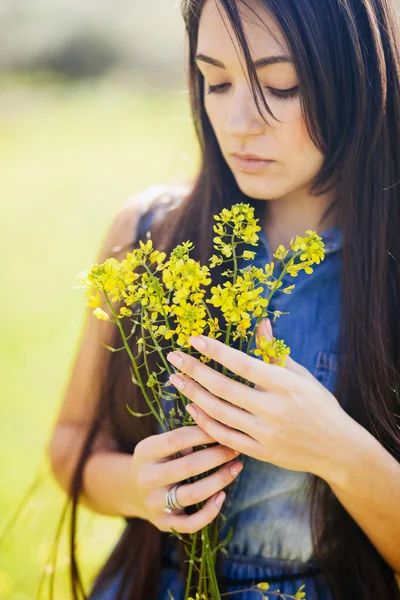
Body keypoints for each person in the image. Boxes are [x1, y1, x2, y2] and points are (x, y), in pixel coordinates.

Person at [48, 0, 400, 599]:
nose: (238, 122)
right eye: (215, 81)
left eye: (280, 86)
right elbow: (71, 447)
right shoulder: (146, 236)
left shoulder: (384, 270)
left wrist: (338, 450)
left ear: (358, 75)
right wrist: (140, 488)